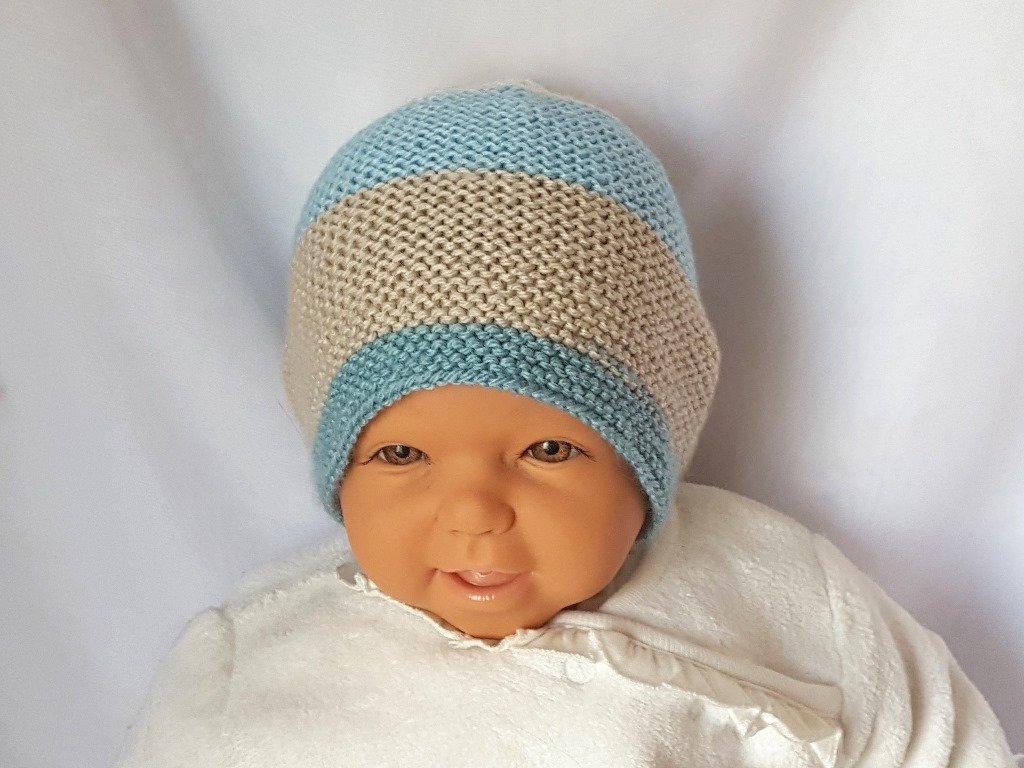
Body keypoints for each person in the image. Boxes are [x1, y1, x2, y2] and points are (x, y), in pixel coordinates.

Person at [116, 80, 1019, 767]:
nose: (473, 511)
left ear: (648, 451)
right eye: (401, 452)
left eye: (549, 449)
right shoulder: (252, 664)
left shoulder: (784, 599)